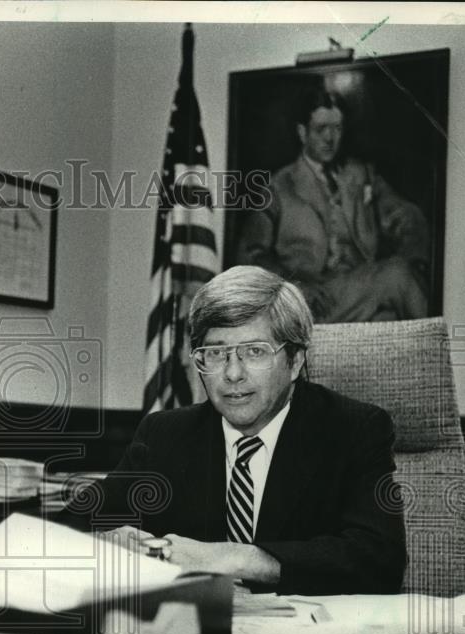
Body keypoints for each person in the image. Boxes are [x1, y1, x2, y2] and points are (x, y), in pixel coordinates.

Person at [65, 266, 406, 595]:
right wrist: (105, 541)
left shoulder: (352, 430)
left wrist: (240, 558)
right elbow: (68, 529)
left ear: (295, 362)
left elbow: (379, 561)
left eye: (254, 351)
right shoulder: (165, 435)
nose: (232, 374)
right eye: (215, 353)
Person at [235, 88, 430, 323]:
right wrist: (293, 286)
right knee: (396, 276)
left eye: (337, 129)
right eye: (321, 129)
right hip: (310, 297)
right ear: (302, 132)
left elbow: (406, 216)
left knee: (388, 314)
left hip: (360, 288)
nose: (330, 138)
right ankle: (437, 353)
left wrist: (414, 259)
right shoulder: (278, 187)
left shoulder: (360, 174)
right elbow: (250, 256)